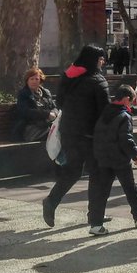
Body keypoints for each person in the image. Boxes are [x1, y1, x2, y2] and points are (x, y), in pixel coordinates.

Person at [41, 44, 109, 231]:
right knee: (97, 173)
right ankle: (95, 217)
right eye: (101, 59)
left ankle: (51, 201)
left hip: (69, 132)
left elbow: (60, 101)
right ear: (94, 60)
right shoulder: (97, 80)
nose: (102, 62)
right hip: (90, 135)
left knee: (72, 171)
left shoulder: (68, 77)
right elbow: (105, 111)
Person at [89, 84, 137, 233]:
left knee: (102, 190)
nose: (131, 103)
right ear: (126, 99)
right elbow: (126, 138)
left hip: (104, 157)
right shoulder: (124, 116)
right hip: (119, 158)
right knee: (129, 188)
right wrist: (135, 155)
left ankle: (96, 223)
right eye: (131, 100)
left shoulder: (105, 112)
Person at [12, 67, 57, 142]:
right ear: (27, 81)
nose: (34, 81)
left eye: (36, 79)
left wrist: (54, 113)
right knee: (54, 136)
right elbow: (25, 112)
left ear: (40, 80)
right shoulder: (23, 94)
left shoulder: (46, 93)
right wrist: (46, 114)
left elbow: (54, 107)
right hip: (30, 128)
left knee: (61, 133)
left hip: (46, 125)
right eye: (31, 79)